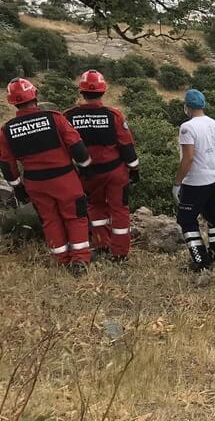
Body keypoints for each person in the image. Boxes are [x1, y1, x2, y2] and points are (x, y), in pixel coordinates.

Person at [0, 77, 93, 273]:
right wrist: (85, 168)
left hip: (35, 183)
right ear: (34, 95)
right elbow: (77, 147)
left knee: (50, 219)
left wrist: (18, 187)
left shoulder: (7, 130)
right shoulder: (55, 118)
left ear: (13, 102)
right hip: (64, 179)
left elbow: (7, 164)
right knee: (75, 216)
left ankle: (60, 260)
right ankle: (80, 261)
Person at [64, 70, 139, 262]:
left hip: (88, 174)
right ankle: (120, 253)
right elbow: (126, 145)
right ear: (103, 91)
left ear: (82, 92)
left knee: (95, 208)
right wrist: (134, 168)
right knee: (119, 209)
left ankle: (102, 245)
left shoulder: (69, 116)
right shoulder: (113, 115)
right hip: (115, 172)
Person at [174, 89, 215, 272]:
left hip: (195, 181)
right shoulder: (214, 124)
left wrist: (177, 182)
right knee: (213, 217)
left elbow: (187, 158)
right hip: (214, 178)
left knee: (186, 220)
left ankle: (201, 261)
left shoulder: (187, 127)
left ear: (187, 106)